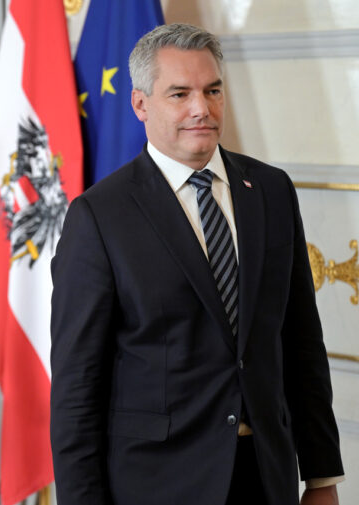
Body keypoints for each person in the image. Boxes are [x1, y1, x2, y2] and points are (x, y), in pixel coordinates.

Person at [49, 24, 344, 505]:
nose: (200, 109)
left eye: (212, 90)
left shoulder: (271, 190)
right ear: (140, 104)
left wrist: (322, 476)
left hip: (267, 478)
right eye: (179, 93)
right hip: (158, 484)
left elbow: (301, 342)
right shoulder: (99, 217)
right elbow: (77, 390)